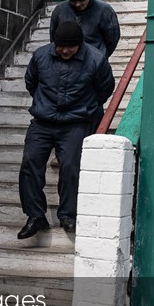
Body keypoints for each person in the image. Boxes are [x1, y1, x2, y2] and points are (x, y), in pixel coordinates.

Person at [18, 21, 114, 238]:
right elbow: (31, 82)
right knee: (30, 163)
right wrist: (45, 104)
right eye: (60, 46)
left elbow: (105, 89)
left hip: (75, 122)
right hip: (42, 121)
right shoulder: (41, 56)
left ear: (80, 44)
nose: (64, 51)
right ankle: (35, 216)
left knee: (70, 166)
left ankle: (68, 215)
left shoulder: (96, 60)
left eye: (69, 47)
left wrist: (85, 108)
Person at [49, 0, 121, 59]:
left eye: (82, 1)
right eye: (74, 1)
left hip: (94, 60)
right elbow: (53, 36)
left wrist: (101, 56)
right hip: (67, 60)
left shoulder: (104, 11)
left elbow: (112, 38)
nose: (78, 4)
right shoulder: (60, 10)